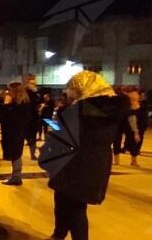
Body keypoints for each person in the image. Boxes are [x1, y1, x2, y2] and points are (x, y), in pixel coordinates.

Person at [40, 71, 127, 240]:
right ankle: (59, 233)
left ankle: (62, 235)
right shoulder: (110, 109)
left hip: (74, 163)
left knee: (74, 209)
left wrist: (60, 115)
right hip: (95, 163)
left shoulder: (79, 110)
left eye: (72, 89)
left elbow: (62, 134)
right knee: (69, 203)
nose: (69, 93)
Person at [0, 82, 33, 186]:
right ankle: (16, 176)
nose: (8, 92)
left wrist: (6, 106)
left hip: (15, 132)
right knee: (16, 153)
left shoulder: (20, 104)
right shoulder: (23, 102)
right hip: (18, 132)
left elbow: (11, 117)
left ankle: (16, 177)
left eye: (9, 90)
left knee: (16, 154)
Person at [113, 87, 145, 167]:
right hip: (123, 120)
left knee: (131, 140)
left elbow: (133, 117)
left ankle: (131, 160)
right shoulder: (123, 102)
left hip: (127, 120)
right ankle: (119, 160)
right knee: (119, 139)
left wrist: (136, 131)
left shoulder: (140, 106)